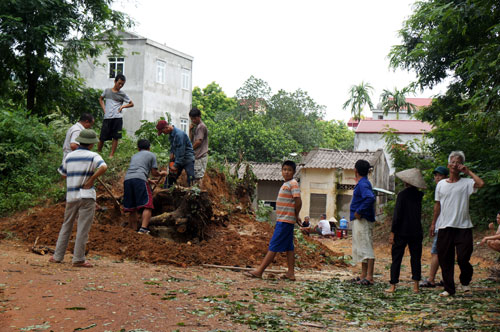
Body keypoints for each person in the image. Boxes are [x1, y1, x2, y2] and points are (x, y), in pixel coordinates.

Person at [50, 129, 107, 268]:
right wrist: (92, 178)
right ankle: (78, 259)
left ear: (80, 141)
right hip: (86, 196)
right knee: (83, 228)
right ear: (91, 144)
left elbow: (63, 174)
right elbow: (104, 166)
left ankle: (57, 256)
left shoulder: (69, 156)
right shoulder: (93, 155)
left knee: (67, 225)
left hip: (71, 196)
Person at [430, 151, 484, 297]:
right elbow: (437, 205)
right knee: (445, 259)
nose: (455, 164)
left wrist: (468, 172)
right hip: (445, 226)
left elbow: (481, 184)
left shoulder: (466, 183)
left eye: (458, 162)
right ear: (448, 164)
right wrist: (433, 223)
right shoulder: (441, 184)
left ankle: (465, 282)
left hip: (463, 226)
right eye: (453, 161)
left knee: (463, 258)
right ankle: (449, 288)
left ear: (462, 165)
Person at [244, 160, 301, 281]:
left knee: (274, 245)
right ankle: (291, 273)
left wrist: (297, 215)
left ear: (294, 172)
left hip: (286, 220)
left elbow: (298, 201)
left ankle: (260, 271)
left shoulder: (293, 183)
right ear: (281, 171)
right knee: (289, 247)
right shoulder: (286, 184)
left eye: (289, 170)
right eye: (284, 169)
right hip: (284, 219)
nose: (286, 172)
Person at [386, 168, 427, 294]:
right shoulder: (419, 195)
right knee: (416, 258)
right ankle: (416, 286)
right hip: (416, 231)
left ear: (406, 182)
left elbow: (397, 215)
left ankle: (393, 285)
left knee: (396, 258)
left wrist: (392, 232)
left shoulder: (402, 195)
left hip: (401, 231)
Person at [123, 139, 168, 234]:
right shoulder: (151, 155)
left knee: (132, 207)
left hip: (127, 180)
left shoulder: (134, 156)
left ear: (138, 148)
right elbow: (154, 172)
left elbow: (136, 170)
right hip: (140, 180)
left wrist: (149, 180)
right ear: (149, 148)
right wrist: (161, 173)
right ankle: (143, 229)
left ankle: (133, 230)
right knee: (148, 205)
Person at [420, 166, 449, 288]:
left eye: (440, 175)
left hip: (442, 224)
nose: (437, 177)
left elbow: (437, 206)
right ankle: (446, 279)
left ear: (445, 177)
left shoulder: (441, 187)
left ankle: (431, 279)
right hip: (449, 224)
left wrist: (433, 224)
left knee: (436, 252)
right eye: (436, 175)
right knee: (445, 252)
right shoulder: (447, 186)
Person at [350, 159, 376, 286]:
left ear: (356, 170)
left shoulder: (363, 184)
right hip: (361, 219)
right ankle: (363, 275)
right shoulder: (363, 182)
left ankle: (369, 276)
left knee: (367, 248)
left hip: (363, 219)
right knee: (362, 248)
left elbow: (370, 197)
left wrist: (359, 211)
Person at [97, 73, 134, 158]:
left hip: (117, 117)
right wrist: (104, 109)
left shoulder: (123, 94)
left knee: (116, 137)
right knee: (102, 137)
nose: (120, 85)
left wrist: (123, 106)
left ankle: (111, 155)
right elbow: (101, 99)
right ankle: (98, 152)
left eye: (122, 84)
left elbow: (131, 104)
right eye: (119, 83)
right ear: (115, 81)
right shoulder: (107, 91)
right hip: (107, 117)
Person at [156, 120, 195, 187]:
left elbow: (181, 151)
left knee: (191, 177)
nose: (163, 133)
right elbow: (174, 147)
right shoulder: (171, 135)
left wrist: (175, 165)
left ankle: (193, 193)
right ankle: (165, 191)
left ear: (166, 128)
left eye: (163, 132)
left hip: (187, 159)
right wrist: (171, 155)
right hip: (178, 159)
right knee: (171, 177)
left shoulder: (179, 135)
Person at [188, 107, 209, 183]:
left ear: (199, 116)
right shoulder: (196, 127)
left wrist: (189, 150)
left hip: (200, 157)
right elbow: (190, 140)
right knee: (196, 178)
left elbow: (198, 142)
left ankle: (198, 194)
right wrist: (190, 130)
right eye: (192, 119)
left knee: (198, 179)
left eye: (194, 118)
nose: (193, 120)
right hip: (197, 157)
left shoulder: (201, 127)